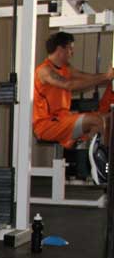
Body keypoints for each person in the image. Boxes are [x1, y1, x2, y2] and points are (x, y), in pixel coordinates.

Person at [32, 31, 113, 177]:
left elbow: (88, 77)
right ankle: (101, 167)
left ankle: (98, 161)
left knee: (108, 118)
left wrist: (107, 77)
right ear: (60, 49)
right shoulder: (44, 70)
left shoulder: (66, 68)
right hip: (47, 125)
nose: (72, 52)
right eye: (70, 48)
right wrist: (105, 77)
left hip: (64, 120)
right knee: (97, 120)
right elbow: (69, 85)